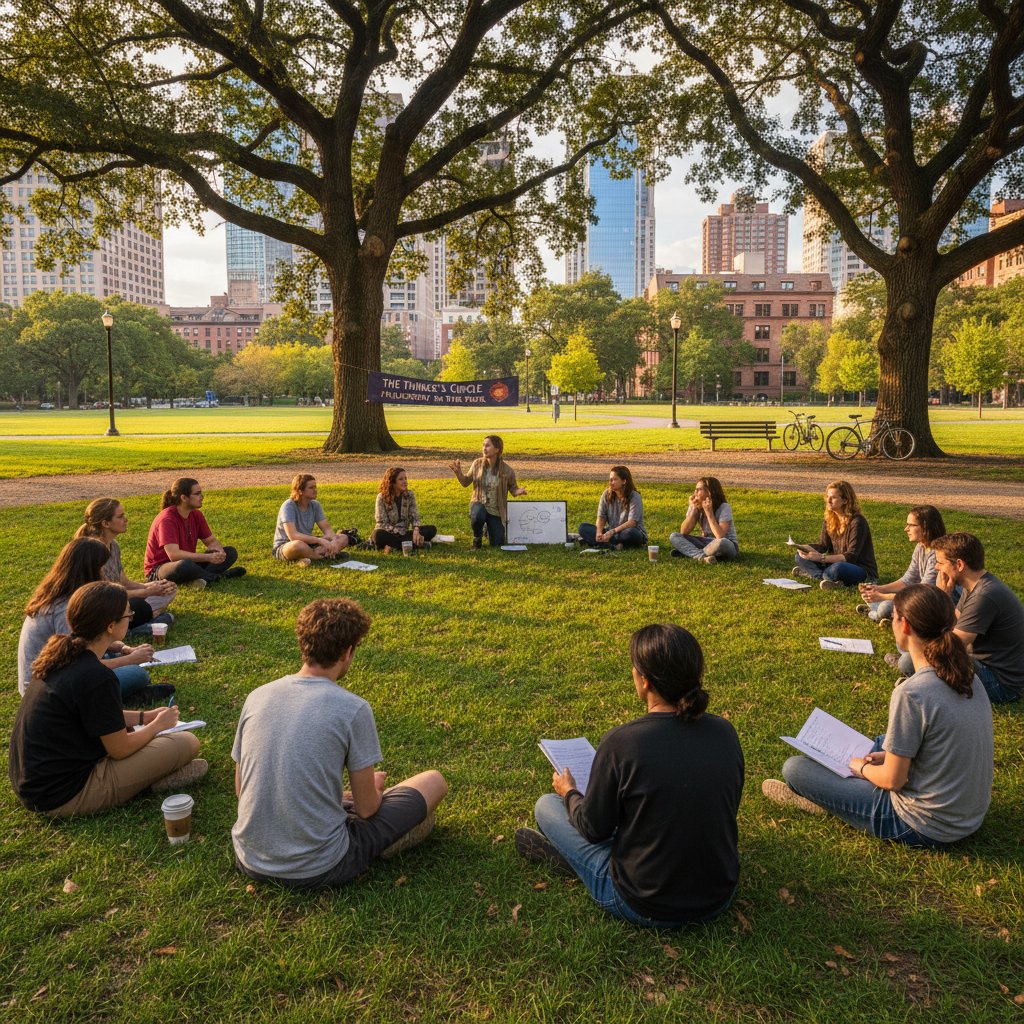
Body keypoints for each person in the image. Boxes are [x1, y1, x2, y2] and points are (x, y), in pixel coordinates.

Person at [515, 624, 743, 927]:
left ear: (645, 680)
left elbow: (593, 829)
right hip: (718, 895)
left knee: (546, 805)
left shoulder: (623, 743)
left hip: (642, 901)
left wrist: (569, 791)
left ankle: (581, 866)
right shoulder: (724, 732)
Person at [231, 598, 449, 888]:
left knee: (346, 799)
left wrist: (333, 797)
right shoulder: (353, 708)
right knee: (434, 781)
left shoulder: (257, 696)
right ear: (348, 652)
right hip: (321, 866)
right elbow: (368, 809)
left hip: (249, 858)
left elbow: (240, 788)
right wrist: (374, 791)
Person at [763, 585, 993, 847]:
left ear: (904, 625)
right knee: (882, 743)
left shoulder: (913, 693)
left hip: (924, 824)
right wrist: (886, 757)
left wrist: (862, 768)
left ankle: (827, 802)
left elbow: (893, 780)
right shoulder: (966, 673)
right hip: (968, 815)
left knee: (795, 768)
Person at [9, 581, 207, 818]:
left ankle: (151, 775)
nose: (131, 618)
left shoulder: (62, 654)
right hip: (66, 792)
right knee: (186, 743)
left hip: (36, 783)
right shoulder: (96, 675)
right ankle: (153, 780)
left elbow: (96, 715)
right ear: (111, 626)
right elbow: (120, 750)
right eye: (128, 614)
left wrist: (144, 716)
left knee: (162, 740)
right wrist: (157, 726)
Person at [17, 538, 170, 702]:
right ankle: (123, 697)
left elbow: (87, 641)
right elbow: (79, 665)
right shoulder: (66, 608)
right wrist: (130, 659)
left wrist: (125, 649)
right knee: (137, 674)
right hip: (51, 689)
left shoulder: (65, 594)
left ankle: (121, 693)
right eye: (102, 568)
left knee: (116, 658)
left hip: (63, 673)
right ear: (91, 570)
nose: (105, 574)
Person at [905, 532, 1024, 704]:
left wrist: (917, 645)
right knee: (914, 656)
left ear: (959, 564)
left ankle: (921, 684)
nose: (937, 567)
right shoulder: (975, 585)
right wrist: (945, 596)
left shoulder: (985, 595)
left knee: (912, 660)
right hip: (986, 665)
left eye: (940, 562)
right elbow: (954, 623)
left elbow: (952, 647)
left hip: (1001, 684)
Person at [76, 497, 176, 636]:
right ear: (105, 523)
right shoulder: (93, 552)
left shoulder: (114, 546)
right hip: (100, 606)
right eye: (120, 516)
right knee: (139, 606)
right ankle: (138, 625)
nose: (126, 519)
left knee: (168, 589)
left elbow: (124, 582)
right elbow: (104, 595)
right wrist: (146, 592)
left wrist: (152, 587)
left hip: (118, 599)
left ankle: (137, 622)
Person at [144, 477, 246, 587]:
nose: (202, 497)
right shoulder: (167, 519)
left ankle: (199, 579)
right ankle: (218, 577)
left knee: (230, 552)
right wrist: (207, 557)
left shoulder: (196, 515)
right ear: (184, 498)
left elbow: (211, 541)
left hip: (189, 563)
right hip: (160, 569)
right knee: (184, 565)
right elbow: (174, 555)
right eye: (197, 494)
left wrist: (218, 552)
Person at [856, 505, 946, 626]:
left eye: (911, 525)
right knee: (880, 601)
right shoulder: (920, 546)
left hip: (932, 604)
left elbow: (923, 593)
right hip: (919, 597)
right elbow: (908, 580)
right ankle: (888, 614)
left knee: (886, 607)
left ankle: (877, 614)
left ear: (925, 528)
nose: (906, 529)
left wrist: (883, 596)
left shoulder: (938, 554)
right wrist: (879, 589)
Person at [792, 480, 877, 590]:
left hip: (858, 568)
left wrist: (822, 558)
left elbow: (850, 557)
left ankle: (818, 575)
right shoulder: (830, 519)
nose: (828, 500)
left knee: (837, 569)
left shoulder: (857, 522)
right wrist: (805, 547)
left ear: (845, 500)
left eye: (833, 497)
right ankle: (828, 579)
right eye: (827, 496)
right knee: (800, 557)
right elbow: (823, 546)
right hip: (833, 563)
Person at [448, 435, 527, 549]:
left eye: (488, 445)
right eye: (483, 445)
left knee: (497, 543)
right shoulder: (477, 464)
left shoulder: (507, 470)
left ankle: (487, 529)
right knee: (478, 516)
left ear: (497, 449)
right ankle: (477, 539)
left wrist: (518, 491)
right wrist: (458, 473)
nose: (484, 448)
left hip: (496, 510)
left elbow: (513, 490)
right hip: (479, 502)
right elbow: (465, 482)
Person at [272, 474, 348, 565]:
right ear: (300, 491)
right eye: (311, 488)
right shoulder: (288, 506)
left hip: (308, 543)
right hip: (287, 545)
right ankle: (323, 555)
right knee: (298, 545)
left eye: (315, 487)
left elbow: (328, 530)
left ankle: (317, 555)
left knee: (343, 537)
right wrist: (319, 540)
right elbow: (293, 536)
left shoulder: (315, 505)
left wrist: (333, 542)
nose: (315, 490)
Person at [668, 476, 739, 564]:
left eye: (699, 489)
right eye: (695, 489)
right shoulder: (696, 505)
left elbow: (720, 536)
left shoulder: (724, 507)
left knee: (722, 543)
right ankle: (702, 557)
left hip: (727, 545)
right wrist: (694, 510)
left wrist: (709, 512)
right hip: (706, 542)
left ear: (709, 492)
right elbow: (684, 532)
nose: (695, 492)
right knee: (674, 536)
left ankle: (690, 553)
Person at [578, 466, 647, 550]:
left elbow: (632, 522)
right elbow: (601, 516)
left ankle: (601, 543)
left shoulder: (635, 496)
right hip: (610, 532)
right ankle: (614, 544)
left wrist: (613, 531)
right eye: (610, 480)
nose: (611, 483)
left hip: (627, 532)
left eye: (614, 480)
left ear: (624, 481)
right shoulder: (606, 494)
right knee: (583, 527)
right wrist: (599, 532)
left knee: (631, 533)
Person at [370, 468, 438, 551]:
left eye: (405, 478)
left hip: (405, 533)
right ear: (392, 482)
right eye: (401, 479)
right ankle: (415, 545)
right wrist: (397, 531)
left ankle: (395, 546)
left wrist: (416, 530)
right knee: (377, 535)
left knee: (431, 529)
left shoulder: (409, 495)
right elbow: (381, 523)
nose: (405, 481)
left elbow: (415, 517)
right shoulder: (381, 497)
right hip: (389, 533)